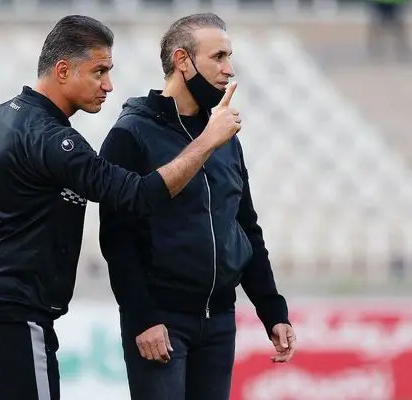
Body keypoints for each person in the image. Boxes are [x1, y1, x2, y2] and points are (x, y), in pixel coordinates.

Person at [0, 15, 240, 400]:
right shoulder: (53, 140)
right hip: (15, 313)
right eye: (99, 71)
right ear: (63, 70)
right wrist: (207, 141)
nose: (108, 85)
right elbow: (137, 194)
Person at [99, 13, 296, 400]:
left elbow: (244, 226)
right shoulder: (131, 134)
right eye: (218, 57)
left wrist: (272, 309)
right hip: (161, 322)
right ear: (182, 61)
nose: (229, 69)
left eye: (229, 57)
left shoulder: (226, 135)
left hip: (219, 320)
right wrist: (143, 318)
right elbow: (117, 238)